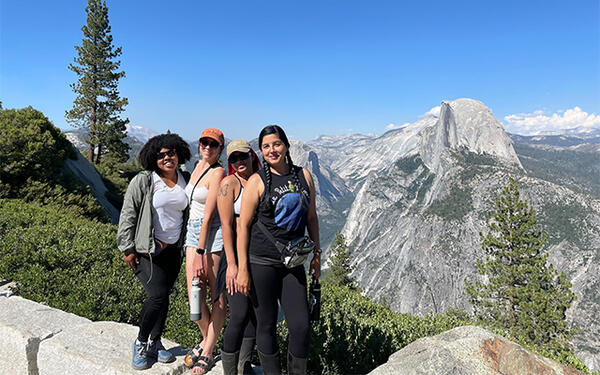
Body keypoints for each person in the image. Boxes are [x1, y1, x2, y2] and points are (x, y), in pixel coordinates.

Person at [236, 125, 321, 375]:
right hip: (261, 262)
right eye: (266, 146)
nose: (272, 150)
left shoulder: (304, 176)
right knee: (266, 324)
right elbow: (243, 228)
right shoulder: (256, 181)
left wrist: (317, 254)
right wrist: (242, 268)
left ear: (285, 145)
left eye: (276, 144)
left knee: (301, 325)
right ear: (261, 151)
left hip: (293, 263)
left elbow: (312, 217)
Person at [117, 133, 192, 371]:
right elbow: (128, 213)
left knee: (164, 295)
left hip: (174, 249)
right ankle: (140, 342)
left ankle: (156, 341)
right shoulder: (145, 181)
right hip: (147, 249)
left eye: (171, 153)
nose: (166, 158)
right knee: (157, 295)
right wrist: (127, 248)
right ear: (153, 158)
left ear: (179, 154)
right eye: (161, 155)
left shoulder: (186, 178)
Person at [184, 128, 227, 375]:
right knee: (194, 294)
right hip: (192, 231)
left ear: (220, 149)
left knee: (215, 294)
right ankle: (206, 341)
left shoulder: (218, 172)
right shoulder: (197, 166)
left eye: (213, 144)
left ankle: (208, 351)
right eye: (204, 142)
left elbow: (209, 214)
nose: (207, 147)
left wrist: (201, 250)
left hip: (210, 234)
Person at [217, 139, 261, 375]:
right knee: (240, 313)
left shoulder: (261, 179)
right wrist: (232, 265)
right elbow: (226, 225)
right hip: (234, 254)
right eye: (234, 158)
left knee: (254, 313)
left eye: (242, 156)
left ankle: (244, 365)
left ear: (251, 156)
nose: (239, 162)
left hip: (259, 254)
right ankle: (230, 371)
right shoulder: (229, 184)